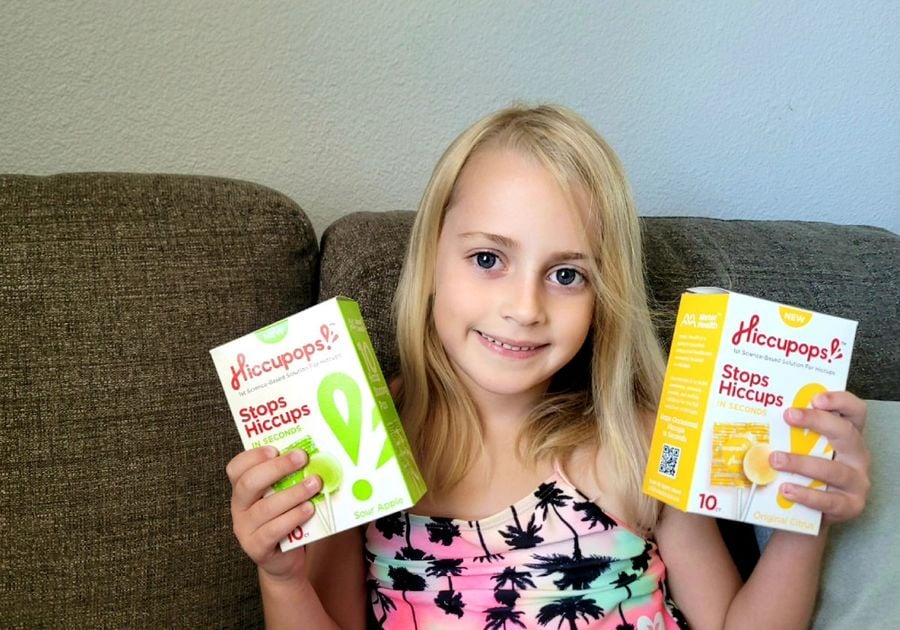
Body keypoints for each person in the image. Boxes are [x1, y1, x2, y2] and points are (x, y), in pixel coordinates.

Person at [226, 104, 870, 629]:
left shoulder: (638, 437)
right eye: (487, 260)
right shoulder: (362, 438)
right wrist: (281, 579)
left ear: (603, 294)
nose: (524, 308)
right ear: (429, 263)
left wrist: (802, 522)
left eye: (566, 275)